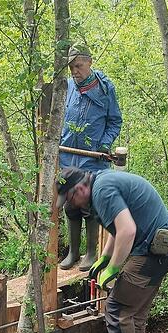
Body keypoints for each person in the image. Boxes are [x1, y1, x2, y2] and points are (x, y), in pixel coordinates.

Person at [56, 167, 168, 333]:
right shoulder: (102, 182)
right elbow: (117, 229)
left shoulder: (102, 190)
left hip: (153, 253)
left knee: (117, 309)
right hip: (165, 248)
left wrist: (113, 269)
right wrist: (104, 258)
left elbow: (128, 231)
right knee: (135, 313)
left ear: (80, 188)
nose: (70, 204)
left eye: (70, 198)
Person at [59, 43, 123, 271]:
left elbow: (115, 121)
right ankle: (72, 252)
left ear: (89, 62)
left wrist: (105, 144)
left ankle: (91, 253)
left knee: (89, 206)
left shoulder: (105, 89)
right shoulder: (66, 86)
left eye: (78, 66)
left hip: (92, 157)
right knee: (69, 205)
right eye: (71, 67)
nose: (75, 71)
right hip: (67, 155)